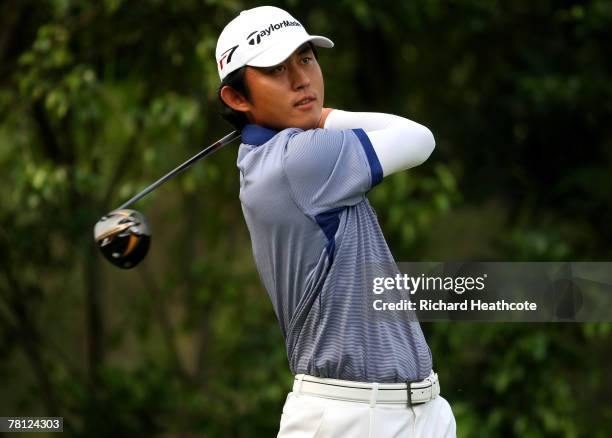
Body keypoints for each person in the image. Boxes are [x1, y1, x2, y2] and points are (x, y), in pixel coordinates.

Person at [215, 6, 456, 437]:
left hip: (415, 411)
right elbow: (420, 139)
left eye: (305, 59)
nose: (301, 79)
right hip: (353, 418)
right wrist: (325, 115)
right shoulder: (297, 160)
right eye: (275, 69)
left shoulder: (269, 160)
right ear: (237, 98)